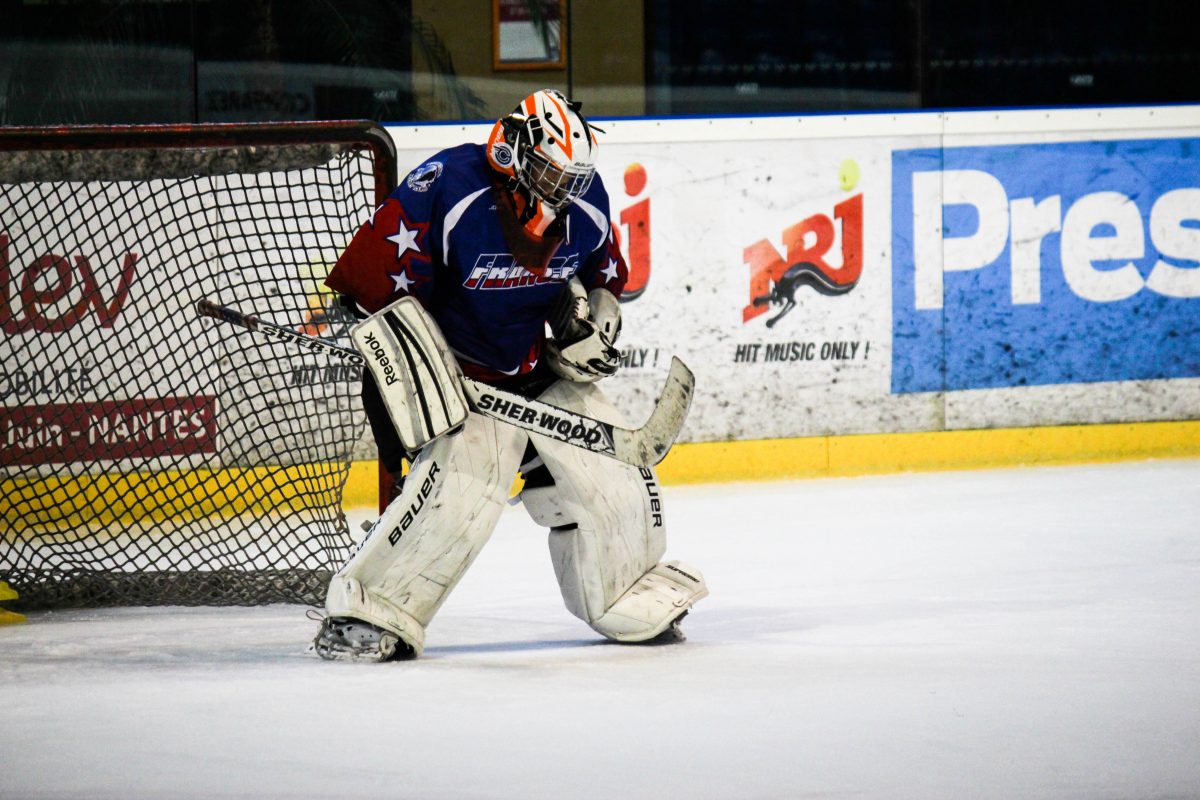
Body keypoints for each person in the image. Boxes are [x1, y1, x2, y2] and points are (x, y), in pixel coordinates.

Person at [312, 89, 707, 661]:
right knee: (464, 494)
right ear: (518, 149)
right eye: (551, 171)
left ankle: (625, 591)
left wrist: (596, 320)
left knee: (616, 476)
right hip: (452, 379)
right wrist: (420, 363)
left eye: (571, 175)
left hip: (531, 371)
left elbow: (603, 276)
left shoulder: (585, 197)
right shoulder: (449, 184)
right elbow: (371, 294)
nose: (563, 188)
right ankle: (367, 614)